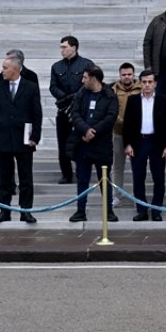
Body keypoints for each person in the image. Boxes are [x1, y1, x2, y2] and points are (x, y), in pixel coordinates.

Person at [0, 52, 42, 224]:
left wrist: (35, 137)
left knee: (26, 178)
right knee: (4, 178)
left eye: (5, 68)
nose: (2, 71)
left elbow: (37, 114)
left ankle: (26, 211)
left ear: (15, 69)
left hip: (23, 139)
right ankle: (5, 210)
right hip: (2, 139)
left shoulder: (30, 87)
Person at [66, 66, 119, 223]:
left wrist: (93, 131)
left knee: (104, 179)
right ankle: (80, 210)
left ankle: (108, 210)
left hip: (101, 145)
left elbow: (110, 117)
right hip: (82, 144)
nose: (82, 80)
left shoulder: (110, 96)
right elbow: (74, 114)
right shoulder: (81, 94)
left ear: (93, 79)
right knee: (82, 179)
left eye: (85, 77)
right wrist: (85, 130)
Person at [122, 70, 166, 221]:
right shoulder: (133, 100)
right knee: (138, 178)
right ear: (140, 83)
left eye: (150, 82)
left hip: (157, 143)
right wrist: (127, 144)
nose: (147, 85)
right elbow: (127, 125)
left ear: (155, 83)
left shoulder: (164, 100)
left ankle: (157, 210)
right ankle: (142, 210)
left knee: (159, 177)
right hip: (139, 143)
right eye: (144, 82)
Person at [49, 35, 95, 184]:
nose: (61, 50)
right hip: (63, 109)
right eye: (61, 47)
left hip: (81, 110)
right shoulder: (56, 66)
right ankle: (66, 173)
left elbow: (89, 84)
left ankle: (82, 171)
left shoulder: (87, 64)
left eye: (64, 47)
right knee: (62, 143)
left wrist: (75, 97)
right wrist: (66, 97)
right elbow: (53, 86)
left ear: (73, 48)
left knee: (82, 142)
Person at [110, 63, 141, 206]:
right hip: (119, 133)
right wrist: (121, 121)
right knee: (117, 167)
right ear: (120, 75)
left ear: (134, 75)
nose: (127, 77)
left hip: (137, 135)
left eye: (129, 74)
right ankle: (116, 195)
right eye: (124, 75)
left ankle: (138, 196)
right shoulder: (113, 90)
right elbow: (110, 110)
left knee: (138, 166)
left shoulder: (141, 89)